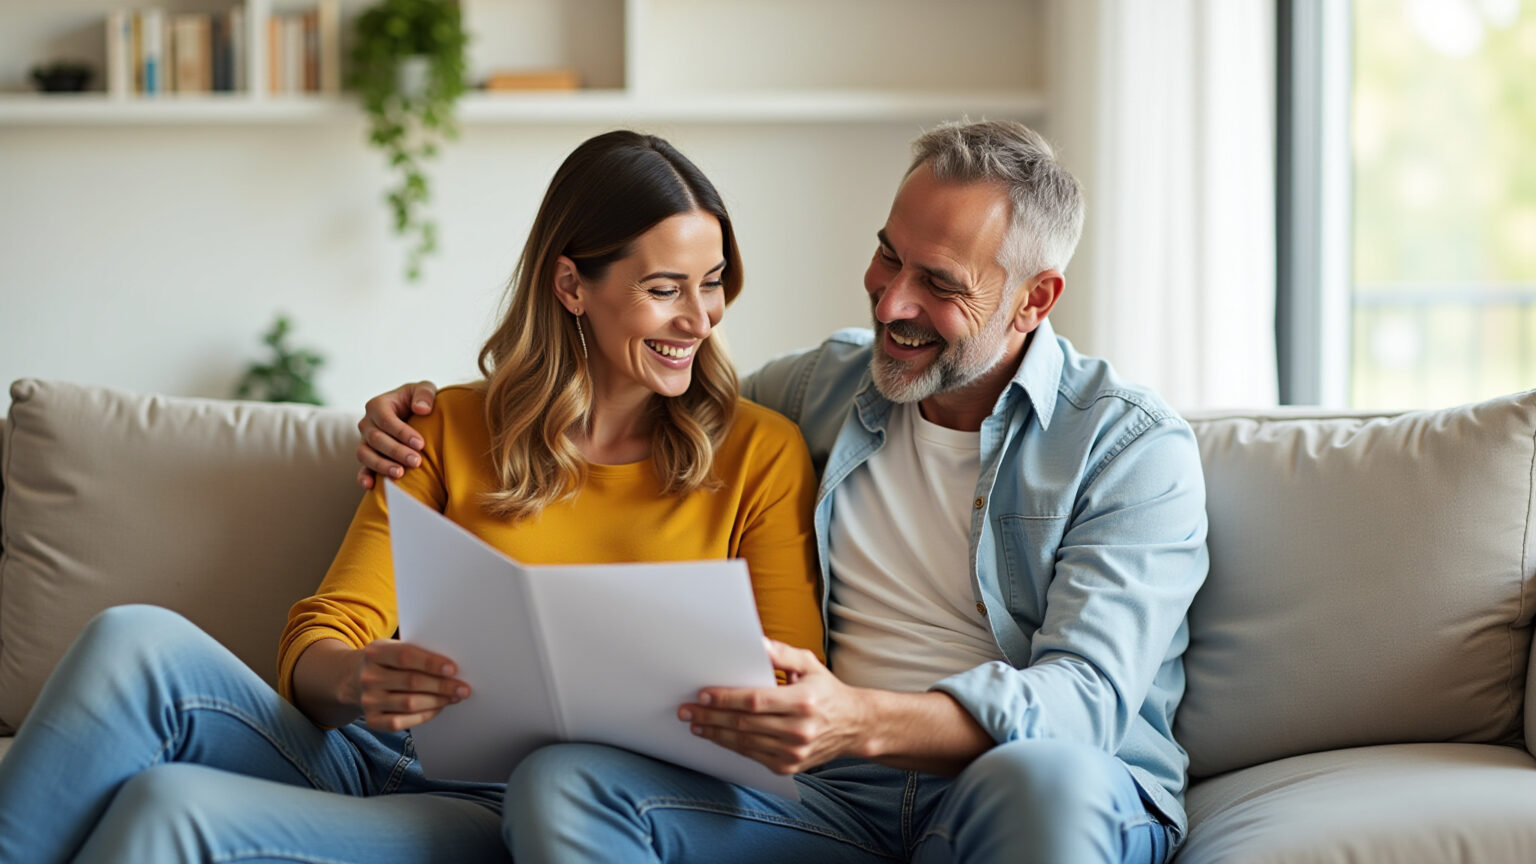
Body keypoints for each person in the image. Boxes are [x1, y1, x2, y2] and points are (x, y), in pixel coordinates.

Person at [357, 119, 1210, 864]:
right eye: (887, 256)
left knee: (1042, 780)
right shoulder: (821, 390)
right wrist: (431, 415)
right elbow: (632, 399)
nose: (892, 302)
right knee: (567, 783)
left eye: (941, 285)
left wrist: (858, 719)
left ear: (1035, 301)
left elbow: (1086, 702)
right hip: (833, 800)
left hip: (1026, 788)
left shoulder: (1128, 448)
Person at [0, 130, 825, 864]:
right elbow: (322, 632)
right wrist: (360, 679)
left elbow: (792, 700)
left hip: (518, 806)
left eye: (713, 283)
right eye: (665, 288)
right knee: (129, 640)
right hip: (369, 753)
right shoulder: (448, 427)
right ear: (571, 285)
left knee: (167, 805)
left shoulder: (758, 454)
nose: (700, 319)